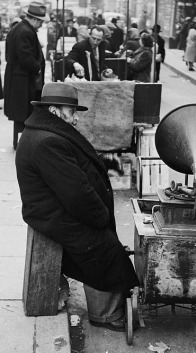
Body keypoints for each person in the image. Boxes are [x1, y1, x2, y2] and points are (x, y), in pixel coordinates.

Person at [15, 82, 139, 332]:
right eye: (71, 112)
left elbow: (74, 176)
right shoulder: (47, 141)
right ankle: (105, 315)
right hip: (51, 215)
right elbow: (76, 195)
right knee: (104, 250)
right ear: (53, 110)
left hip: (51, 209)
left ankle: (106, 305)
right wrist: (101, 219)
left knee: (103, 244)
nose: (74, 119)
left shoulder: (44, 132)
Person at [4, 1, 47, 150]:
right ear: (35, 19)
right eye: (41, 22)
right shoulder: (26, 31)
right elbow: (26, 58)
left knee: (22, 114)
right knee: (26, 112)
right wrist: (38, 68)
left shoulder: (19, 29)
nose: (41, 25)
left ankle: (21, 141)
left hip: (18, 78)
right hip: (22, 81)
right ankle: (25, 143)